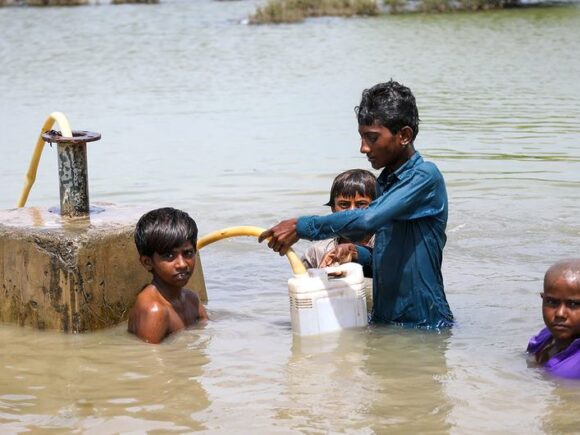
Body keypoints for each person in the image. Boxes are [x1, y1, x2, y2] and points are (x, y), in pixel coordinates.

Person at [259, 80, 453, 328]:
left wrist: (300, 226)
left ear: (404, 135)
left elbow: (366, 220)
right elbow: (391, 262)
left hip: (426, 327)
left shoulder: (425, 178)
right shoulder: (385, 183)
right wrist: (355, 254)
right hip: (385, 325)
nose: (363, 148)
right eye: (362, 137)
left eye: (372, 138)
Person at [128, 207, 208, 344]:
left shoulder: (192, 299)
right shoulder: (155, 311)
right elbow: (148, 361)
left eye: (188, 253)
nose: (182, 264)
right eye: (169, 256)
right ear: (147, 262)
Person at [302, 168, 377, 271]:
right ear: (333, 208)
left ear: (376, 207)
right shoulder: (316, 252)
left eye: (361, 204)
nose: (351, 212)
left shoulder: (384, 243)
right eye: (344, 205)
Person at [527, 259, 580, 379]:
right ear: (543, 298)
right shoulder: (544, 337)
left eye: (574, 304)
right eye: (552, 302)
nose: (560, 314)